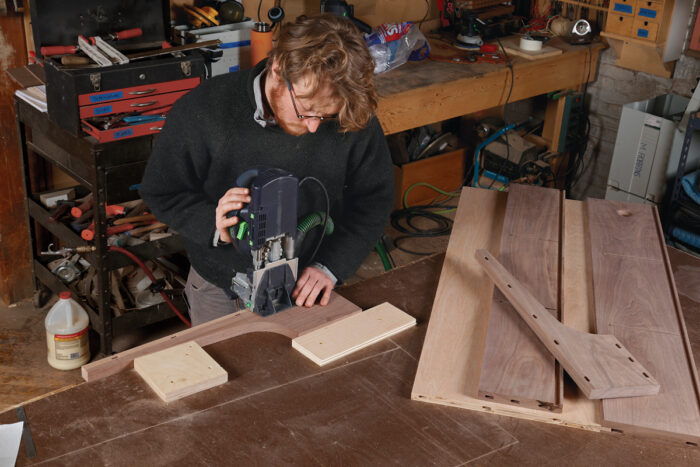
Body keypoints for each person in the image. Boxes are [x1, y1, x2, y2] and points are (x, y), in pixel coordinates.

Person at [139, 14, 395, 326]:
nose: (315, 128)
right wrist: (213, 224)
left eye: (325, 116)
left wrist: (332, 265)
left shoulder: (349, 111)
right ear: (278, 70)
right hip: (221, 284)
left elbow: (374, 199)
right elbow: (160, 191)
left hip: (309, 284)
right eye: (306, 111)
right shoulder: (205, 110)